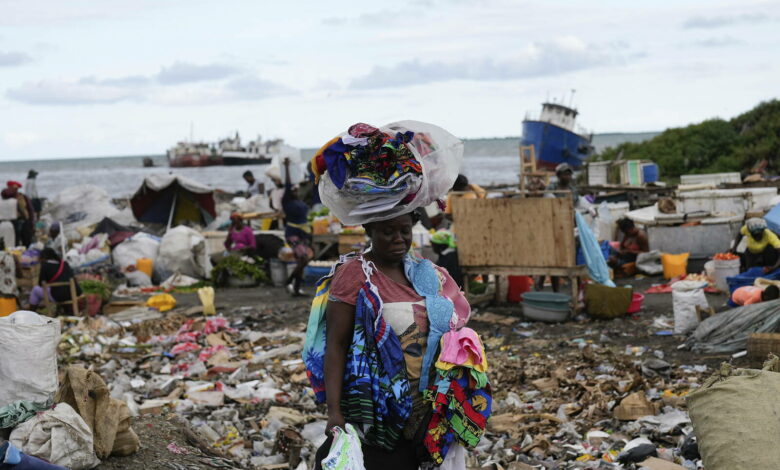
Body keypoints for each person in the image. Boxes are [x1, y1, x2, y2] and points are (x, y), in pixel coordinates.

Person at [308, 212, 479, 470]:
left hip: (425, 410)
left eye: (404, 231)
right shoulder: (355, 274)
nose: (398, 239)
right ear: (370, 230)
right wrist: (334, 412)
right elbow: (336, 344)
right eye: (388, 232)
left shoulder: (425, 272)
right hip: (376, 409)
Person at [282, 158, 312, 296]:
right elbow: (287, 184)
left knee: (302, 262)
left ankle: (296, 289)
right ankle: (288, 281)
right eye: (293, 190)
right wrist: (287, 167)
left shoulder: (300, 201)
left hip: (303, 233)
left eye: (296, 189)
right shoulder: (287, 201)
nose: (295, 191)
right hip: (292, 233)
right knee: (304, 259)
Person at [2, 181, 34, 247]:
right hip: (17, 221)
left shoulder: (21, 197)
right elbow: (25, 210)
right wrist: (28, 219)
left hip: (12, 221)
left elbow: (29, 209)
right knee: (20, 239)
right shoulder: (16, 200)